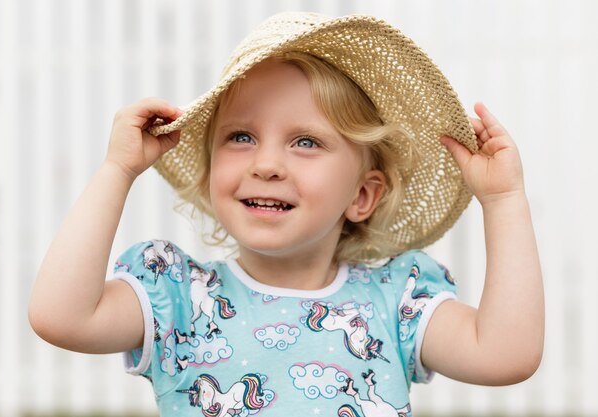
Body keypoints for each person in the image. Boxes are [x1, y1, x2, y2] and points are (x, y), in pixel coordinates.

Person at [29, 12, 544, 417]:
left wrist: (502, 202)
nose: (267, 164)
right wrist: (118, 170)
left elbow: (505, 355)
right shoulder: (180, 298)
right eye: (241, 137)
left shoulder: (395, 301)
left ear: (361, 196)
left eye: (305, 142)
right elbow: (61, 317)